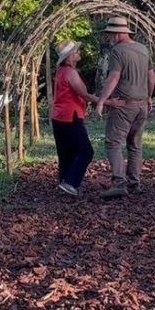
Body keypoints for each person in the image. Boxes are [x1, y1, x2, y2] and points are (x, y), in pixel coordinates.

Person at [95, 17, 155, 199]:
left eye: (112, 34)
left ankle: (119, 183)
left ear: (120, 33)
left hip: (124, 105)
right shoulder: (143, 49)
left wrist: (101, 101)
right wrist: (148, 97)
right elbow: (151, 78)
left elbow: (114, 77)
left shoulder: (118, 51)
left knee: (113, 143)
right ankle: (134, 183)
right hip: (142, 105)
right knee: (135, 145)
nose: (110, 37)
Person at [51, 40, 99, 196]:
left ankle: (64, 181)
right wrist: (106, 101)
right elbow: (83, 94)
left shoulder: (60, 71)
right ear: (70, 56)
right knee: (86, 151)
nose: (79, 53)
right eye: (76, 51)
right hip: (70, 116)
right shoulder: (71, 73)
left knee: (67, 151)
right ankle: (71, 183)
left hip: (58, 116)